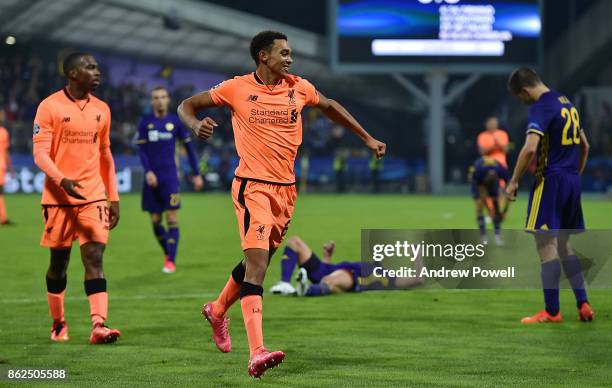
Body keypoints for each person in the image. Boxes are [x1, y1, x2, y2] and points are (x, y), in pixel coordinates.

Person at [178, 30, 386, 377]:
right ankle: (257, 351)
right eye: (284, 53)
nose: (290, 59)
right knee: (257, 265)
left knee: (255, 264)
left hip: (286, 192)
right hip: (253, 188)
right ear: (263, 56)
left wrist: (367, 138)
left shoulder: (299, 87)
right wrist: (195, 124)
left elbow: (331, 106)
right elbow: (187, 105)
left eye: (291, 54)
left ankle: (217, 310)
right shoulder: (237, 88)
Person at [33, 52, 121, 344]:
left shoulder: (102, 109)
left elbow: (105, 153)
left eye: (97, 67)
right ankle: (58, 323)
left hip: (93, 196)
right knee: (59, 263)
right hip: (58, 199)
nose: (97, 72)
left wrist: (114, 196)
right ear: (72, 73)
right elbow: (40, 153)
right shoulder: (49, 107)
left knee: (94, 256)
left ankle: (99, 325)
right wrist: (61, 179)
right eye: (90, 67)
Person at [506, 67, 593, 324]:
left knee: (545, 245)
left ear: (524, 91)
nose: (522, 102)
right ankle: (583, 303)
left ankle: (551, 311)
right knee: (565, 245)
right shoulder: (566, 102)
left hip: (551, 180)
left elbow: (530, 149)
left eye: (519, 98)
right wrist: (574, 175)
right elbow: (584, 145)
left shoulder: (541, 106)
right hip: (571, 180)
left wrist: (513, 182)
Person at [136, 87, 203, 274]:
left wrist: (196, 173)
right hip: (152, 178)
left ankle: (170, 261)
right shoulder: (145, 123)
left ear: (168, 100)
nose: (159, 100)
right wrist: (148, 172)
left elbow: (189, 150)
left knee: (172, 217)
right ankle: (168, 252)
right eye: (156, 97)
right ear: (152, 101)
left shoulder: (176, 122)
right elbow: (142, 151)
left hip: (170, 178)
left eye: (163, 97)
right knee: (155, 221)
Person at [270, 236, 423, 297]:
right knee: (294, 241)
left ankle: (306, 289)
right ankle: (284, 284)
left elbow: (418, 279)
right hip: (328, 270)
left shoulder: (388, 277)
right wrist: (327, 257)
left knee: (330, 280)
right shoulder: (369, 265)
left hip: (349, 277)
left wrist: (417, 255)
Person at [469, 157, 509, 246]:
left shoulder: (499, 169)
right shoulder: (478, 170)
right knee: (479, 207)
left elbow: (508, 180)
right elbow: (472, 180)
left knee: (495, 210)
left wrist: (506, 193)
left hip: (494, 185)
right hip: (480, 184)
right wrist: (477, 195)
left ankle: (497, 236)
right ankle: (483, 237)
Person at [0, 110, 15, 225]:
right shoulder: (3, 132)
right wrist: (10, 168)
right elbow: (5, 152)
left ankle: (4, 217)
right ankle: (3, 218)